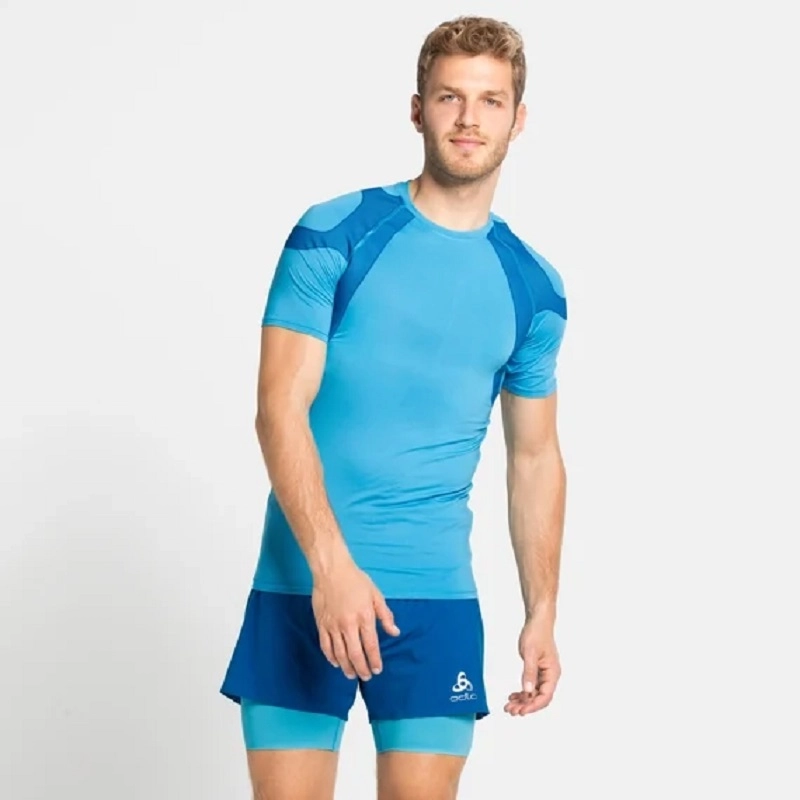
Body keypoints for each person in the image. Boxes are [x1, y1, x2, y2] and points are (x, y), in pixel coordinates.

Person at [220, 14, 568, 800]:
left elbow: (535, 456)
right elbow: (278, 409)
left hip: (434, 597)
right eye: (449, 96)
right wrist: (332, 567)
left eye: (490, 100)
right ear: (418, 109)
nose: (469, 118)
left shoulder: (534, 287)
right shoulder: (335, 234)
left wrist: (542, 609)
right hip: (303, 584)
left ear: (518, 118)